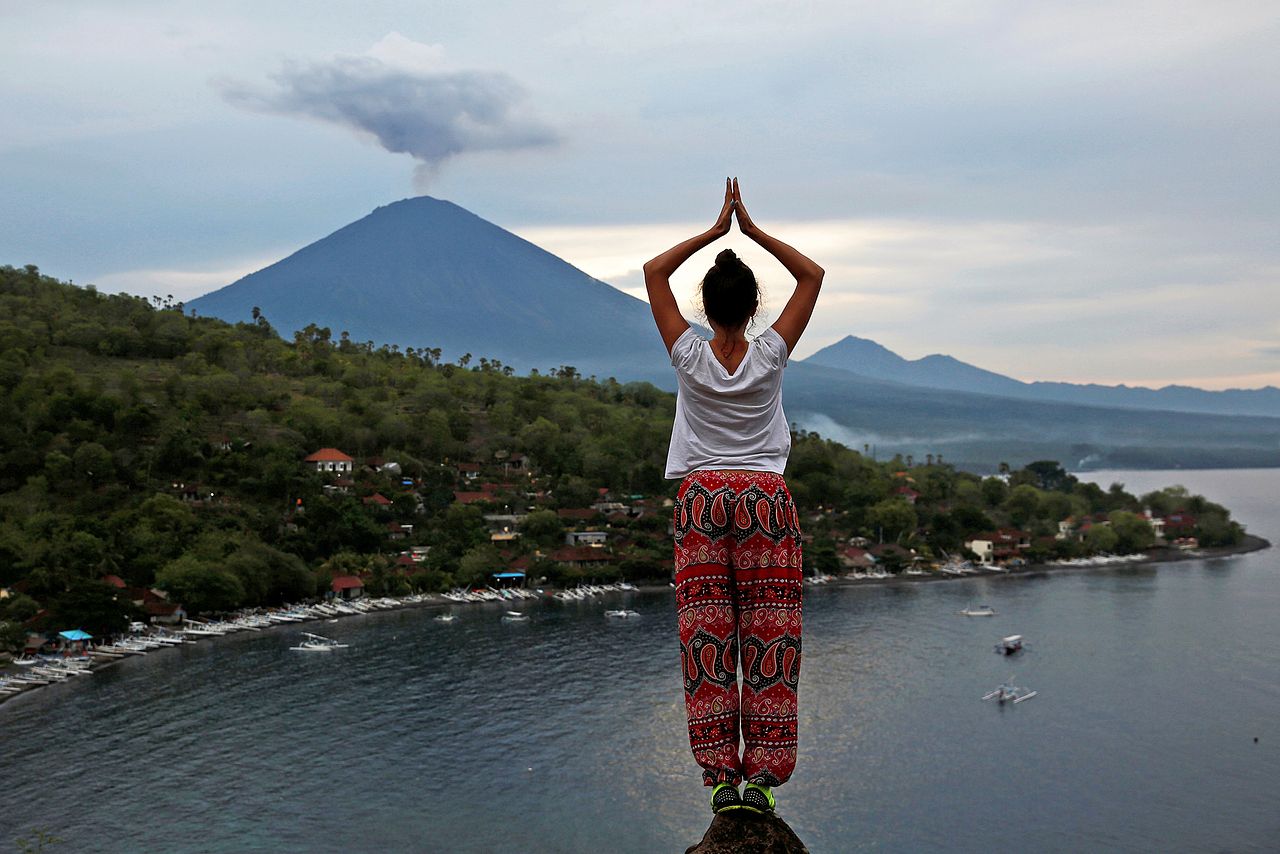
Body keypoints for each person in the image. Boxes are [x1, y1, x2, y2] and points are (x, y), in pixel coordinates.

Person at [643, 178, 823, 815]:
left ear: (706, 305)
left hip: (701, 502)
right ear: (752, 308)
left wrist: (715, 231)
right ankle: (764, 785)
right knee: (771, 637)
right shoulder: (771, 352)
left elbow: (653, 272)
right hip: (765, 504)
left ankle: (721, 779)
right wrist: (751, 229)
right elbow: (811, 277)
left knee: (707, 640)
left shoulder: (688, 354)